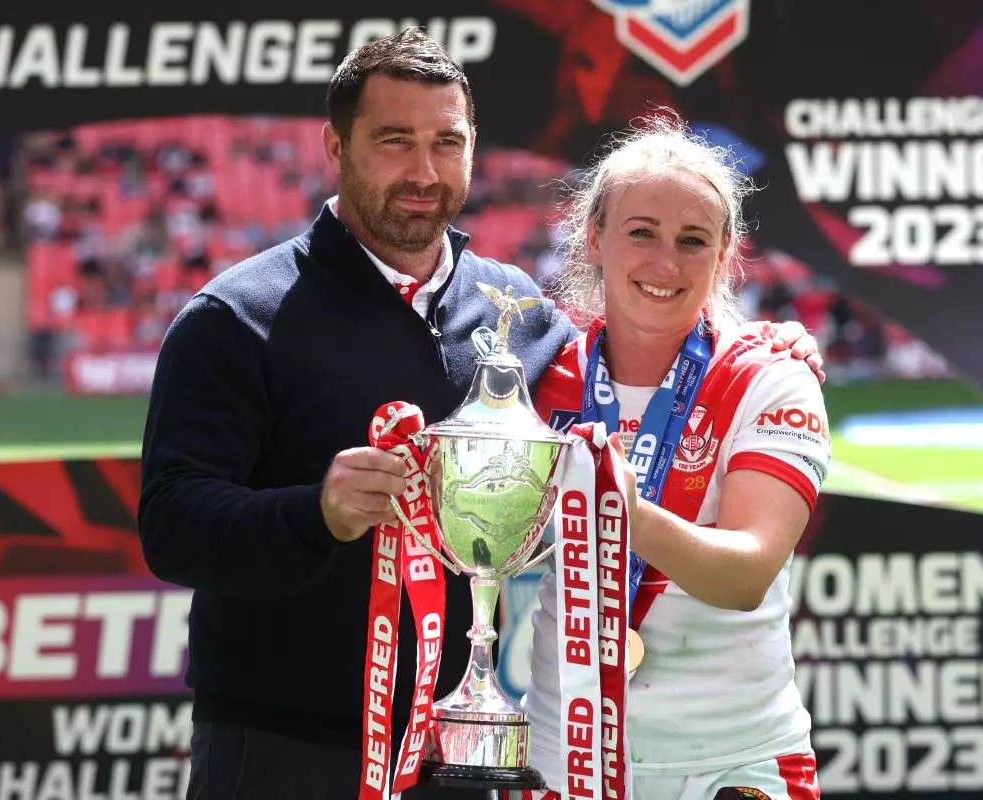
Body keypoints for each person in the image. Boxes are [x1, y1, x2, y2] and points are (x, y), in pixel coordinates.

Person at [138, 28, 824, 800]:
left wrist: (764, 343)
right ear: (336, 146)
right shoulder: (237, 314)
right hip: (285, 748)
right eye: (394, 141)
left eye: (447, 142)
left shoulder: (518, 316)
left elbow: (652, 333)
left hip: (464, 750)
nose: (423, 170)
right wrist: (316, 512)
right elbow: (171, 524)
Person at [518, 115, 830, 800]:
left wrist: (624, 511)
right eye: (641, 233)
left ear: (724, 256)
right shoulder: (540, 374)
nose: (666, 263)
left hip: (730, 765)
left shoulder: (770, 377)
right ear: (595, 237)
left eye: (693, 242)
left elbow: (747, 572)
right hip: (561, 759)